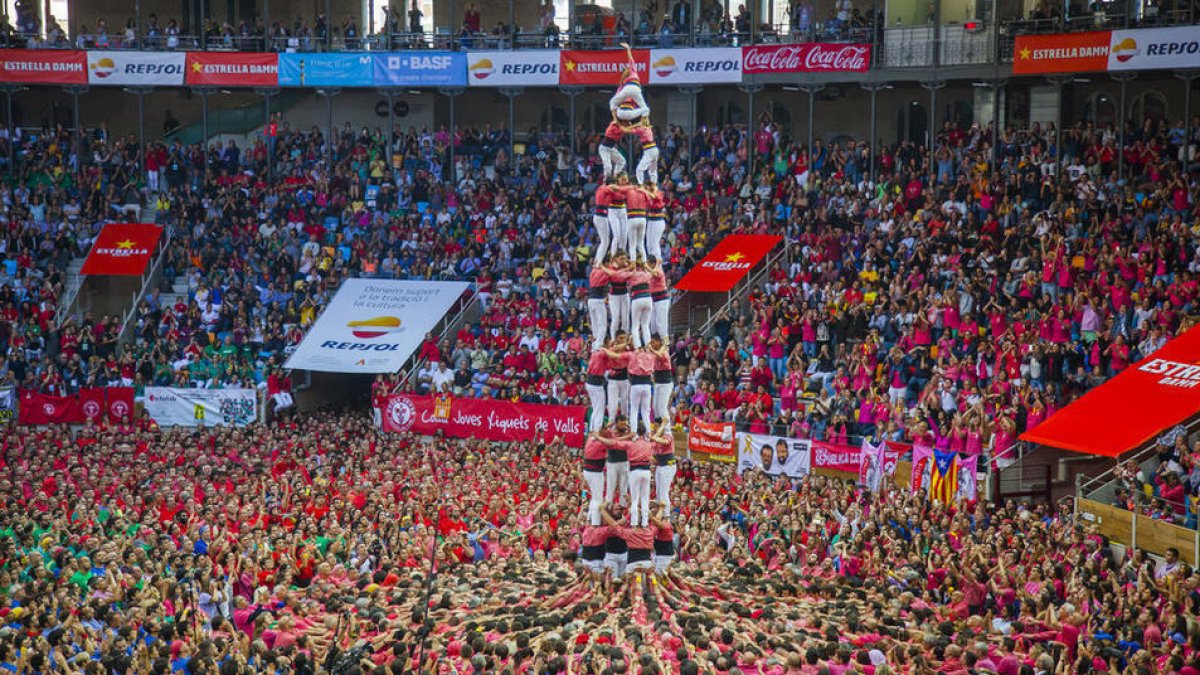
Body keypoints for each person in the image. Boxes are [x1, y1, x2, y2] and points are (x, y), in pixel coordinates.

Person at [626, 433, 653, 526]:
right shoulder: (648, 443)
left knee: (634, 499)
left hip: (635, 470)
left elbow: (628, 457)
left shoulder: (631, 443)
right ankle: (645, 523)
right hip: (646, 470)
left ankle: (634, 523)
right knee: (645, 498)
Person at [628, 345, 655, 437]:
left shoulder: (634, 356)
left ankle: (634, 434)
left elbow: (629, 372)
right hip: (647, 385)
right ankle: (648, 434)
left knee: (634, 410)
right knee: (646, 411)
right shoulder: (650, 356)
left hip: (636, 384)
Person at [582, 432, 608, 524]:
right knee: (598, 499)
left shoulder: (590, 439)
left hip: (588, 471)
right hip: (595, 472)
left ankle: (590, 518)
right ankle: (595, 522)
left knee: (595, 497)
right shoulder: (601, 443)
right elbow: (612, 445)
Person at [650, 423, 676, 514]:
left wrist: (653, 437)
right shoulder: (654, 440)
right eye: (654, 427)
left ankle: (666, 515)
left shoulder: (667, 435)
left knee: (664, 492)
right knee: (658, 492)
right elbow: (654, 459)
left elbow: (665, 442)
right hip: (660, 466)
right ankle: (659, 512)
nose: (654, 429)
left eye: (656, 427)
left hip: (669, 466)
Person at [628, 260, 654, 348]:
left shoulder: (632, 273)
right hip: (648, 298)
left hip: (637, 298)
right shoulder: (647, 273)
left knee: (635, 326)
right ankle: (648, 346)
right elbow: (652, 274)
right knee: (645, 325)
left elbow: (628, 284)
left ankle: (637, 346)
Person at [585, 345, 609, 431]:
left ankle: (592, 430)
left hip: (590, 382)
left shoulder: (595, 353)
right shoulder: (601, 353)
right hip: (596, 383)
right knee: (600, 409)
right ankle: (596, 431)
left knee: (596, 408)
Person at [626, 183, 650, 262]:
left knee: (632, 245)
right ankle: (644, 262)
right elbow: (650, 203)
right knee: (640, 244)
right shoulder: (643, 192)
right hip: (642, 218)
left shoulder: (629, 191)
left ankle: (633, 263)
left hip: (632, 217)